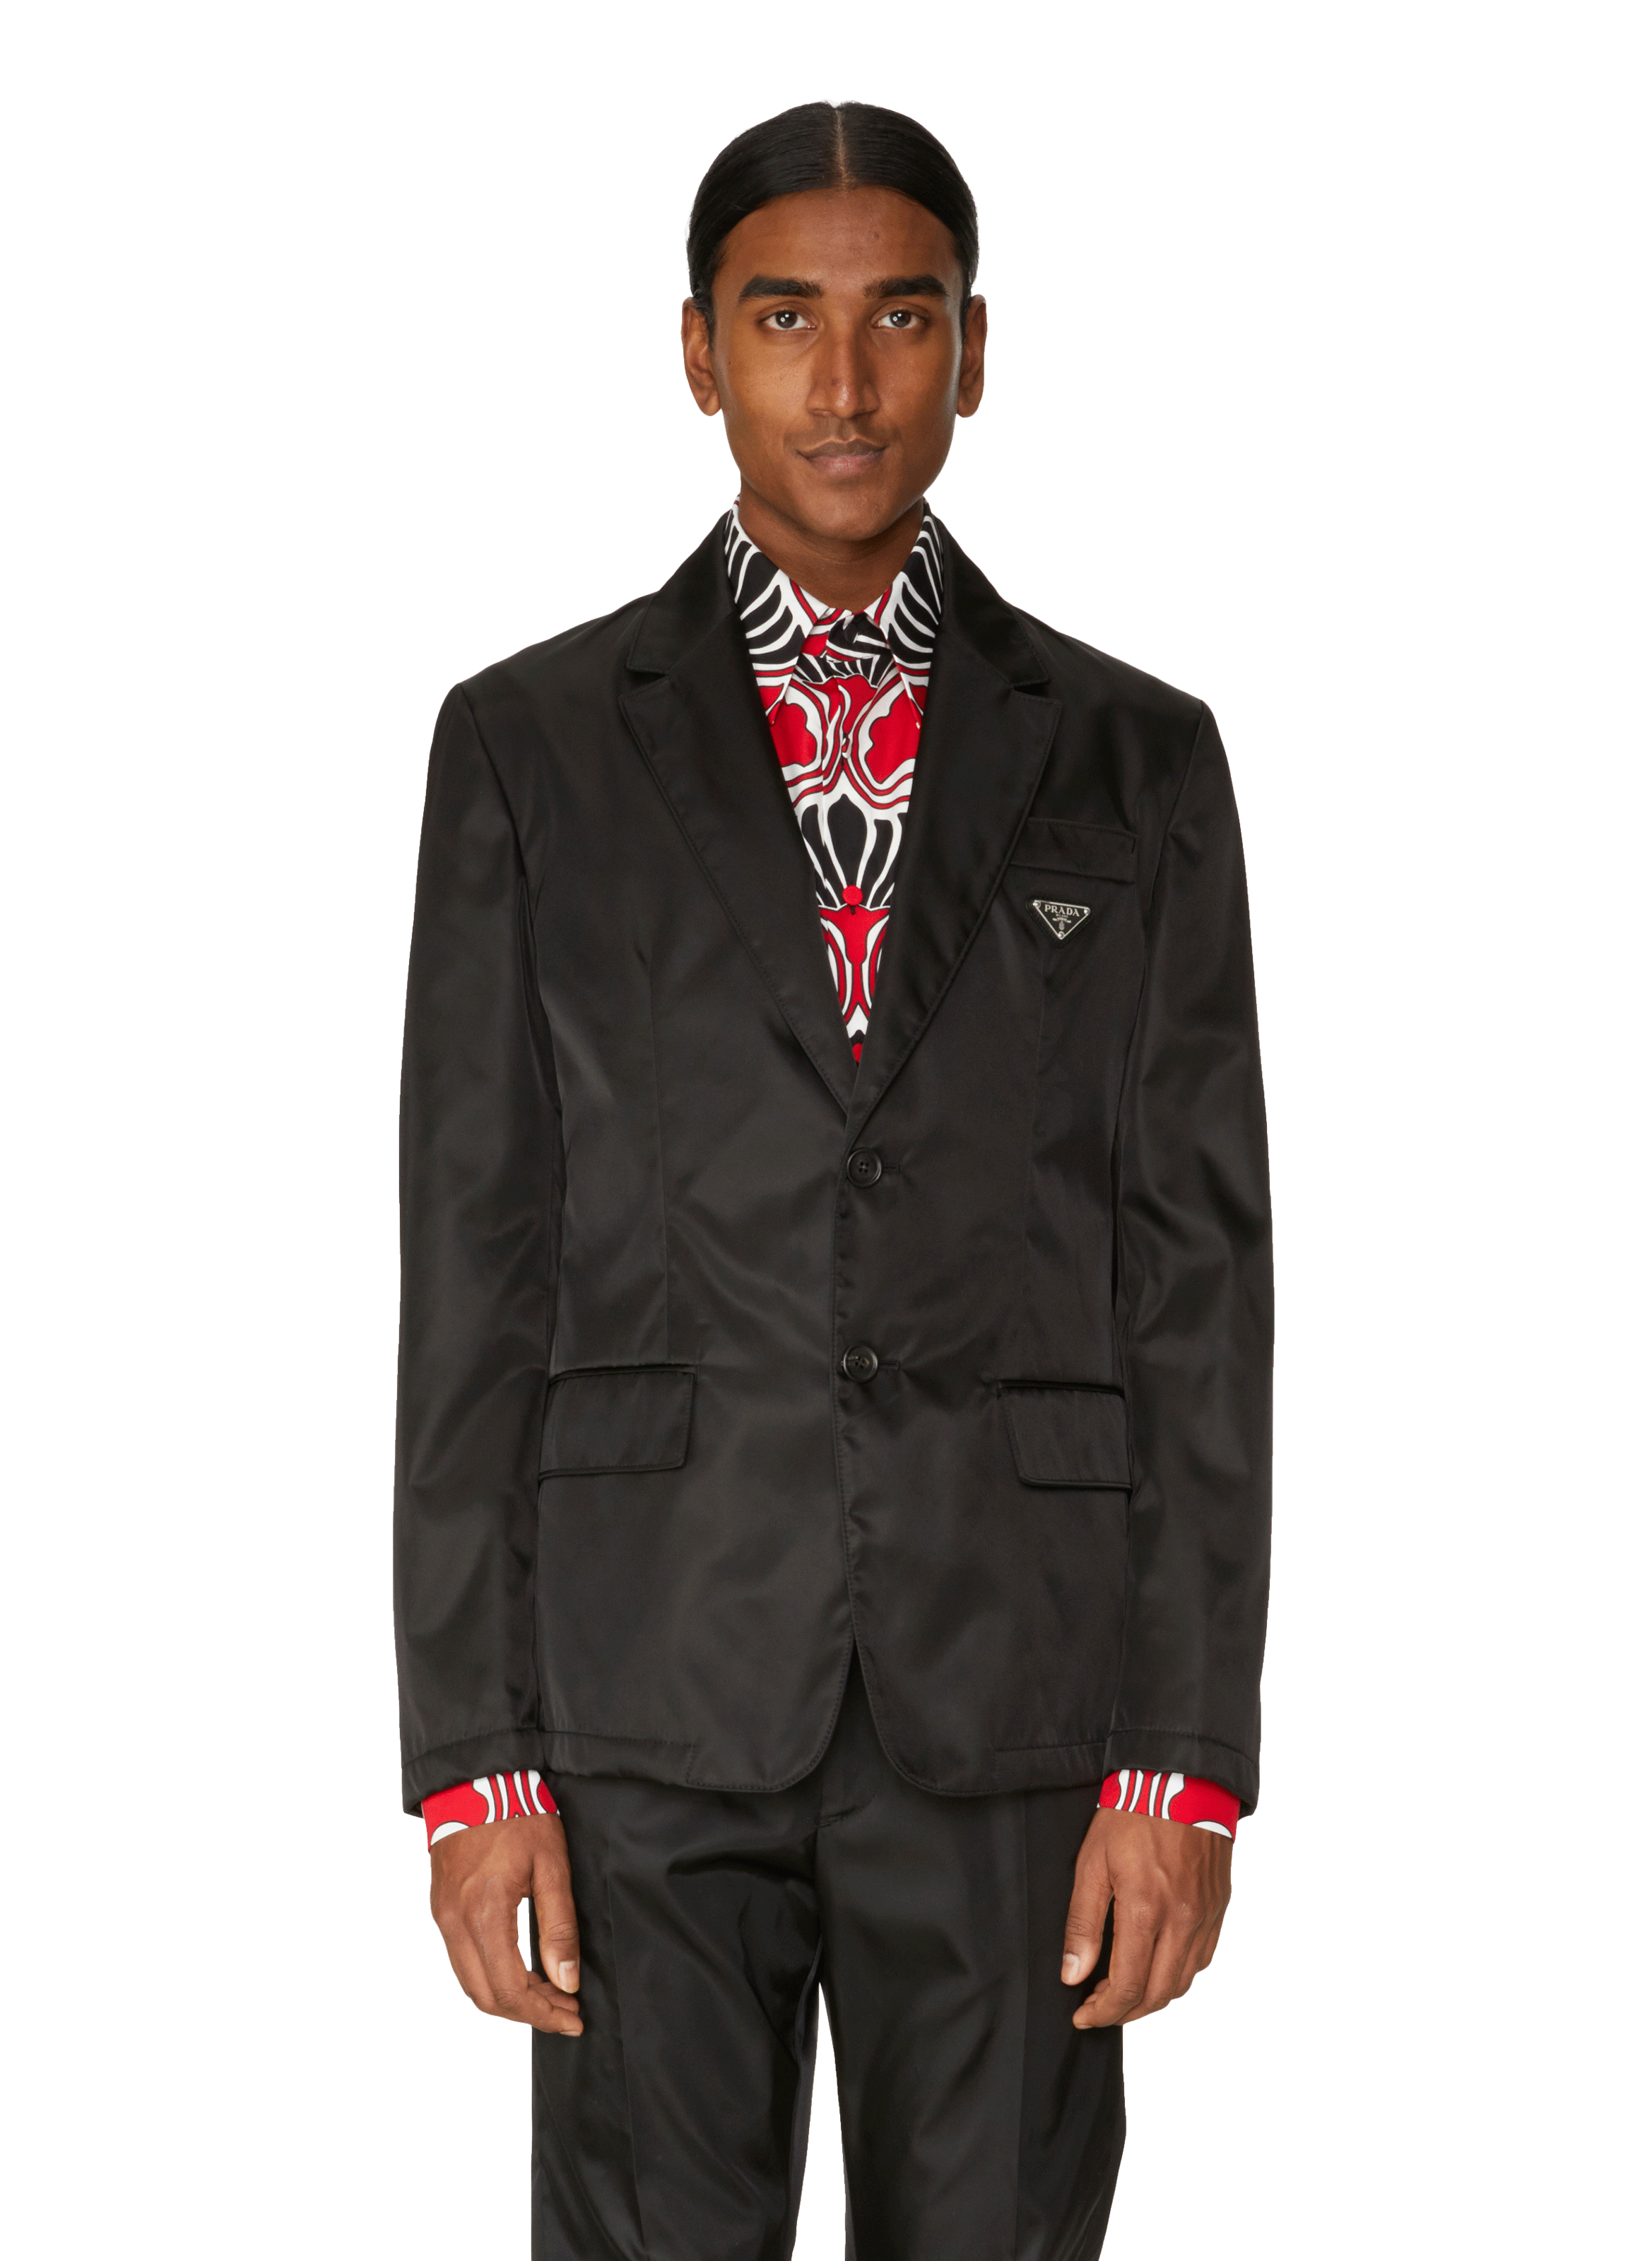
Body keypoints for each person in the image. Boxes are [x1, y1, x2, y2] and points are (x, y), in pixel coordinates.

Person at [393, 98, 1273, 2260]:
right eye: (786, 320)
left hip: (1019, 1694)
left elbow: (1200, 1279)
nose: (849, 382)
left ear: (977, 351)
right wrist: (473, 1755)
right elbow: (474, 1261)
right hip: (644, 1691)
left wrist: (1181, 1759)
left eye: (905, 318)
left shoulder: (1137, 758)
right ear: (701, 354)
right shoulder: (528, 746)